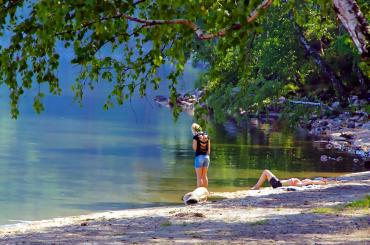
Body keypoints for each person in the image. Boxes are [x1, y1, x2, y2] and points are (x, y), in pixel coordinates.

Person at [251, 169, 329, 190]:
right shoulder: (299, 182)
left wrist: (319, 183)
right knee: (266, 171)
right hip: (278, 182)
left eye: (307, 180)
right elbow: (313, 182)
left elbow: (310, 183)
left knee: (266, 171)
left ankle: (256, 187)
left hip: (277, 184)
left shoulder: (298, 184)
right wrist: (321, 182)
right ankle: (256, 186)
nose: (306, 179)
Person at [191, 123, 211, 188]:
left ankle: (198, 193)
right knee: (204, 176)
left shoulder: (195, 137)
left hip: (199, 157)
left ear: (194, 130)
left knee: (199, 177)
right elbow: (209, 150)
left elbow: (194, 148)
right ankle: (205, 191)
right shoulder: (207, 136)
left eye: (192, 131)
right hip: (206, 157)